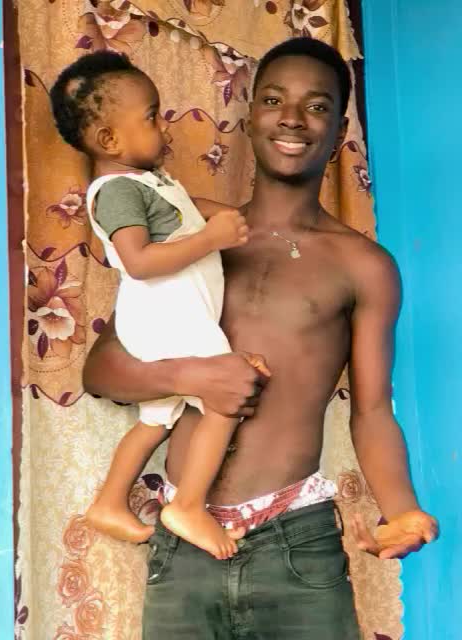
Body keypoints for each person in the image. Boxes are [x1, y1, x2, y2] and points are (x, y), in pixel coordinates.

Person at [83, 38, 439, 639]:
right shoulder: (193, 236)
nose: (292, 118)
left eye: (317, 106)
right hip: (183, 544)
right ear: (249, 118)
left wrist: (401, 510)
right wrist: (192, 376)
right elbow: (102, 369)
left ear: (340, 131)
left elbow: (373, 410)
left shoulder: (363, 266)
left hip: (297, 543)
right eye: (273, 100)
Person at [50, 51, 270, 559]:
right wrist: (212, 238)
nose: (164, 125)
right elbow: (139, 261)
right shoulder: (116, 191)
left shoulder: (150, 183)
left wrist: (228, 219)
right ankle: (188, 505)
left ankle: (109, 502)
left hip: (171, 319)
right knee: (227, 395)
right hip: (166, 317)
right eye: (152, 117)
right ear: (109, 140)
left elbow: (185, 213)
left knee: (156, 420)